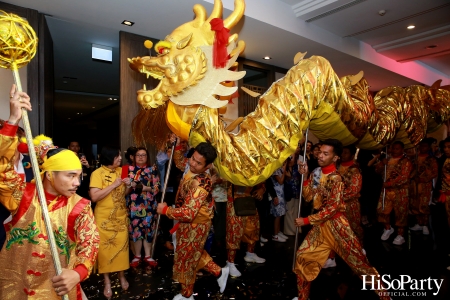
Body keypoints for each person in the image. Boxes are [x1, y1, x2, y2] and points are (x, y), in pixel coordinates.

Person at [0, 84, 99, 299]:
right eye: (70, 175)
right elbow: (1, 165)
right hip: (15, 288)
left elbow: (89, 243)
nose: (77, 182)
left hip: (57, 291)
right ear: (49, 175)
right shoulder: (22, 194)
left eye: (79, 176)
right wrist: (12, 121)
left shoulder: (80, 206)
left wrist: (77, 272)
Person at [293, 139, 388, 300]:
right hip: (321, 227)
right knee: (303, 258)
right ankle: (303, 297)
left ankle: (385, 295)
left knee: (360, 264)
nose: (320, 156)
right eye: (320, 152)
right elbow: (309, 197)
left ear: (335, 157)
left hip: (337, 226)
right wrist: (306, 176)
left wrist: (307, 220)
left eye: (325, 154)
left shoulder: (336, 179)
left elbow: (332, 209)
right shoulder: (318, 172)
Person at [157, 142, 229, 300]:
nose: (192, 163)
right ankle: (219, 272)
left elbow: (189, 213)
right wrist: (178, 142)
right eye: (193, 158)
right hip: (186, 222)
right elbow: (179, 160)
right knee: (192, 253)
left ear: (208, 166)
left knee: (187, 259)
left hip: (195, 224)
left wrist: (166, 210)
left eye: (198, 162)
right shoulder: (191, 166)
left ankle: (187, 295)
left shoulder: (201, 183)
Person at [90, 146, 130, 299]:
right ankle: (107, 281)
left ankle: (121, 276)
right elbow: (94, 197)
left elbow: (123, 194)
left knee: (122, 248)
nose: (120, 158)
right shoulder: (97, 173)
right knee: (105, 251)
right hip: (104, 218)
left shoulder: (122, 171)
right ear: (109, 157)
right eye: (117, 156)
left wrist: (129, 186)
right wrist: (114, 184)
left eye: (120, 155)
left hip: (120, 217)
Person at [126, 147, 160, 267]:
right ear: (134, 157)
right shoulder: (129, 169)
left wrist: (146, 188)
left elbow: (157, 187)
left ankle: (147, 255)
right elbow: (124, 189)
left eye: (143, 155)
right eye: (138, 155)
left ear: (147, 157)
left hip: (148, 204)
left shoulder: (152, 169)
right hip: (134, 205)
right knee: (135, 230)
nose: (141, 157)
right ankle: (137, 256)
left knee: (148, 229)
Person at [375, 141, 413, 245]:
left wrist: (390, 183)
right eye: (393, 148)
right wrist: (382, 163)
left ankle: (400, 234)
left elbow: (404, 177)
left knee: (400, 213)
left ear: (402, 150)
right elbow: (377, 171)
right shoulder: (387, 160)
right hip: (386, 191)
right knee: (382, 210)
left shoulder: (406, 162)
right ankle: (387, 228)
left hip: (400, 191)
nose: (394, 151)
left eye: (397, 149)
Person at [225, 182, 266, 277]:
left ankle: (250, 253)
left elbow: (262, 179)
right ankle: (230, 262)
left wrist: (261, 189)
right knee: (234, 232)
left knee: (253, 227)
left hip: (248, 199)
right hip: (234, 200)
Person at [410, 138, 438, 235]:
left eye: (425, 146)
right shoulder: (415, 158)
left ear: (429, 147)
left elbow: (434, 172)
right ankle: (419, 223)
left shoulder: (431, 159)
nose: (423, 148)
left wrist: (423, 179)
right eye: (421, 146)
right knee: (415, 203)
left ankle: (425, 224)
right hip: (415, 184)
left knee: (424, 204)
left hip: (425, 185)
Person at [270, 161, 289, 242]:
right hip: (277, 194)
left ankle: (278, 232)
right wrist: (284, 171)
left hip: (281, 192)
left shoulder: (280, 168)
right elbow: (280, 181)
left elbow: (288, 177)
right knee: (277, 214)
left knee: (281, 214)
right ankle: (275, 235)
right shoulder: (275, 169)